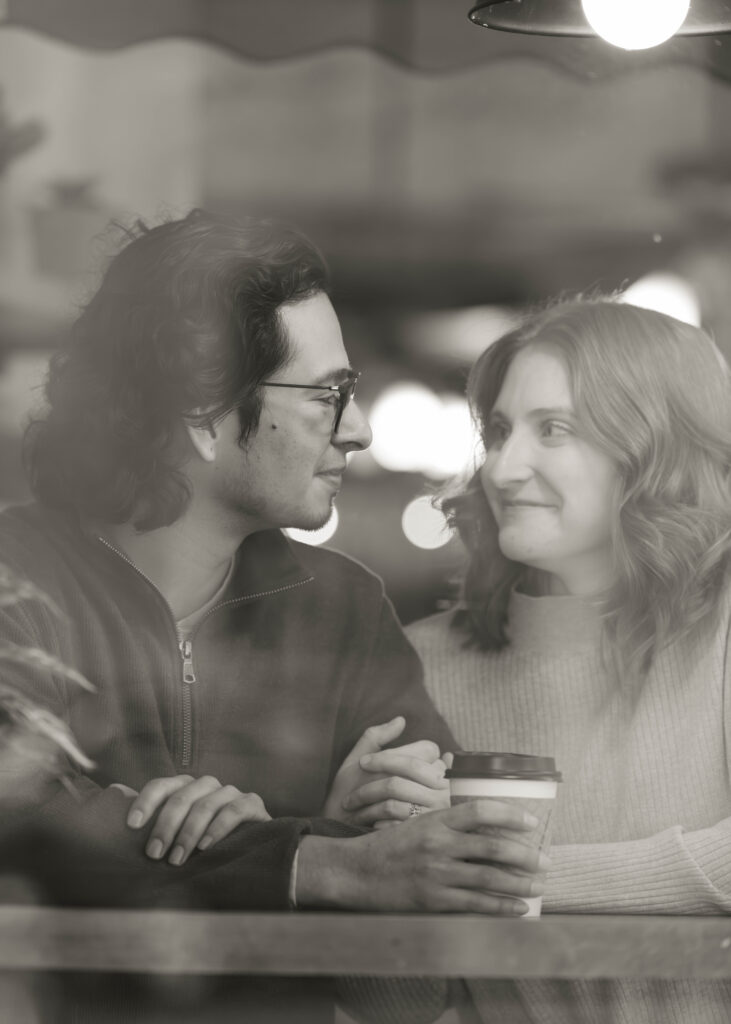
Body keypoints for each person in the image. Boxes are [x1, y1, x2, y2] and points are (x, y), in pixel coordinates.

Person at [0, 209, 545, 1024]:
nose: (357, 430)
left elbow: (413, 994)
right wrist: (322, 863)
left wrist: (336, 842)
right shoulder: (15, 580)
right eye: (330, 394)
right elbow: (26, 819)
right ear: (202, 416)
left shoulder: (343, 608)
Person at [405, 297, 731, 1023]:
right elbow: (400, 1003)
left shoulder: (721, 633)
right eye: (496, 430)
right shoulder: (422, 663)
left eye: (553, 429)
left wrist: (502, 883)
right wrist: (367, 856)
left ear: (653, 448)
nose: (501, 466)